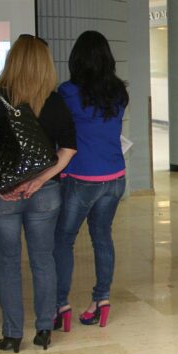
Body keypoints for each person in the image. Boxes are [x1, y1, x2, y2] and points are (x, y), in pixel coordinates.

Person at [0, 35, 77, 353]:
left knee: (8, 264)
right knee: (43, 260)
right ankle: (44, 329)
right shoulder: (54, 101)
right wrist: (39, 181)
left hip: (1, 197)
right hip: (45, 194)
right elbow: (69, 148)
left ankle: (12, 334)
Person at [53, 31, 129, 331]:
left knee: (63, 240)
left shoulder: (68, 92)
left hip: (82, 176)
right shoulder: (120, 93)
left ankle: (61, 304)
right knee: (102, 237)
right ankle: (101, 300)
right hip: (115, 177)